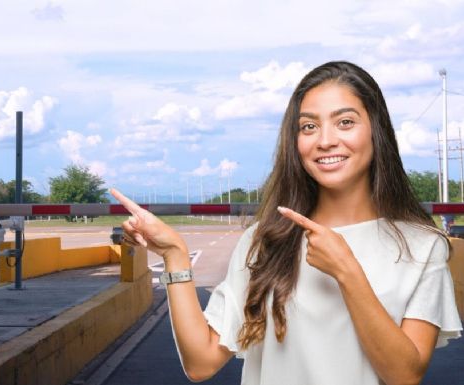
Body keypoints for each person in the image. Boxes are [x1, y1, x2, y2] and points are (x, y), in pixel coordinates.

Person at [110, 61, 462, 385]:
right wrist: (175, 256)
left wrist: (348, 272)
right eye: (309, 126)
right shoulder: (264, 241)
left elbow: (405, 374)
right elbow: (201, 362)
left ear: (376, 131)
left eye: (345, 122)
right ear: (295, 142)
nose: (325, 140)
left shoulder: (422, 246)